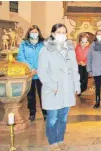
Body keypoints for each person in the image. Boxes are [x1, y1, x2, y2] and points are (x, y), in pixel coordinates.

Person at [37, 23, 80, 151]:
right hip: (53, 89)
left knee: (63, 117)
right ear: (53, 34)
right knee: (52, 118)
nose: (62, 35)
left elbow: (74, 68)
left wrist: (76, 85)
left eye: (64, 32)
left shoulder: (70, 49)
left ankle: (60, 140)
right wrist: (52, 85)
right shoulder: (45, 50)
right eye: (59, 32)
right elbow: (41, 71)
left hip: (67, 88)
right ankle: (52, 142)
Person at [17, 25, 47, 121]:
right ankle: (32, 113)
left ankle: (45, 113)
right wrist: (31, 68)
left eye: (36, 32)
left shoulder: (43, 44)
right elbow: (21, 57)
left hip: (41, 73)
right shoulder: (24, 44)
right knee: (30, 96)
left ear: (39, 33)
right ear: (29, 33)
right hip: (29, 74)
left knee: (43, 95)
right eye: (32, 32)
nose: (34, 33)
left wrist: (39, 68)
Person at [75, 32, 90, 97]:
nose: (84, 43)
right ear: (80, 41)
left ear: (87, 41)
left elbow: (90, 57)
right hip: (79, 64)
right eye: (82, 41)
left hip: (86, 65)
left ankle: (84, 89)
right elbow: (75, 56)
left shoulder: (89, 48)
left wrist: (85, 62)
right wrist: (79, 61)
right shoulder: (77, 47)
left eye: (85, 42)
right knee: (80, 78)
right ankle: (79, 90)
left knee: (85, 78)